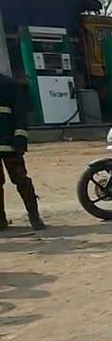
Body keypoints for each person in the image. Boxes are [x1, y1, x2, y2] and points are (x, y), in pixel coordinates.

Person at [0, 73, 45, 231]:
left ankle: (34, 217)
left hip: (10, 142)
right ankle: (1, 221)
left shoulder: (7, 84)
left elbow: (20, 112)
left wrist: (20, 136)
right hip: (9, 142)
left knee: (21, 180)